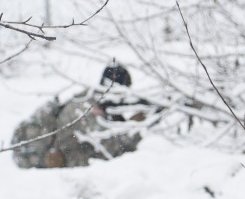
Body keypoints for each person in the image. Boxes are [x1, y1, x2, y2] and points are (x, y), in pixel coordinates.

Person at [12, 63, 148, 169]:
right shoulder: (85, 107)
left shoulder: (93, 100)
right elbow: (111, 150)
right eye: (123, 91)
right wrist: (136, 126)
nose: (124, 96)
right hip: (55, 160)